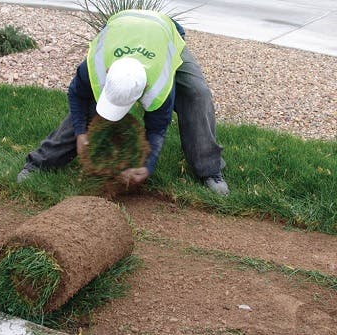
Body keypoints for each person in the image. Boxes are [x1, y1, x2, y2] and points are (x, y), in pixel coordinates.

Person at [17, 9, 229, 196]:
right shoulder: (97, 65)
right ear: (108, 73)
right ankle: (39, 163)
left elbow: (157, 128)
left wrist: (147, 166)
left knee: (196, 94)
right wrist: (80, 132)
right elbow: (77, 95)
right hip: (121, 27)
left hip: (164, 35)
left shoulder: (159, 83)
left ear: (144, 89)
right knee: (86, 108)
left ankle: (210, 170)